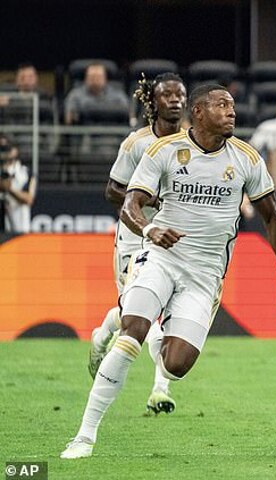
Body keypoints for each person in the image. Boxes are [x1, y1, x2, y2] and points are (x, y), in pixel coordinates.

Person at [60, 84, 276, 459]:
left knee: (175, 366)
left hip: (205, 277)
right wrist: (149, 229)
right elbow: (129, 203)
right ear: (199, 112)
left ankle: (134, 330)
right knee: (132, 334)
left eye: (233, 105)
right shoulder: (162, 151)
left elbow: (272, 217)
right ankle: (84, 436)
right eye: (222, 105)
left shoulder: (247, 158)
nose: (232, 111)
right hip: (159, 258)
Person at [87, 73, 187, 416]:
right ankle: (105, 336)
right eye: (167, 95)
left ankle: (160, 387)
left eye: (180, 95)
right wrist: (152, 202)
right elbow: (113, 190)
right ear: (153, 103)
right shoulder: (136, 144)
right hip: (135, 238)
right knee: (143, 314)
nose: (175, 100)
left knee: (165, 314)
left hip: (176, 241)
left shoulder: (192, 144)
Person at [64, 63, 130, 125]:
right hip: (84, 134)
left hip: (114, 133)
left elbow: (129, 115)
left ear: (105, 78)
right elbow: (69, 119)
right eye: (92, 77)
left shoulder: (118, 95)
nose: (95, 80)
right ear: (86, 78)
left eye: (98, 77)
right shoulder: (75, 95)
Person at [0, 134, 36, 233]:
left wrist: (10, 189)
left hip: (19, 221)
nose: (4, 152)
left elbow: (29, 199)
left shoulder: (24, 172)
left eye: (6, 148)